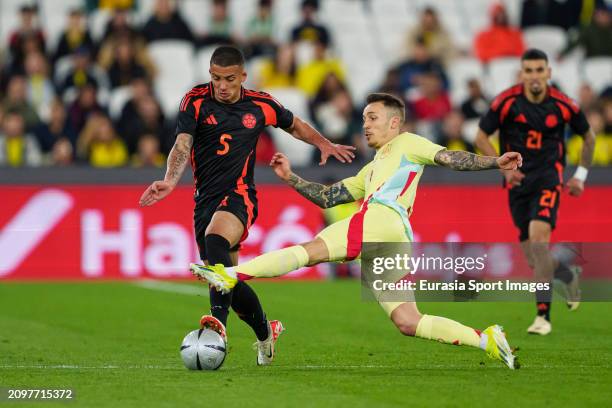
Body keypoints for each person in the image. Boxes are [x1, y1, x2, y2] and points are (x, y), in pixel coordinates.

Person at [191, 92, 522, 369]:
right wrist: (291, 177)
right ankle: (486, 338)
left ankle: (230, 274)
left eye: (373, 118)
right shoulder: (374, 167)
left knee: (311, 250)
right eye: (364, 118)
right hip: (394, 237)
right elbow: (327, 197)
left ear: (394, 122)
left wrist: (495, 163)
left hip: (381, 218)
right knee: (408, 321)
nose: (365, 125)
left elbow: (450, 157)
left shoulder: (408, 142)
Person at [138, 46, 355, 365]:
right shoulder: (195, 101)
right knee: (229, 279)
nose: (221, 86)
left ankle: (218, 329)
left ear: (242, 76)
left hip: (240, 196)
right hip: (205, 201)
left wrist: (323, 143)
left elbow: (293, 123)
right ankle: (267, 331)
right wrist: (170, 180)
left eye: (228, 79)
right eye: (215, 78)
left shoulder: (260, 104)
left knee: (215, 242)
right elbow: (182, 144)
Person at [474, 49, 595, 335]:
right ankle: (565, 273)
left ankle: (543, 317)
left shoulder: (564, 105)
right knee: (534, 259)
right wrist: (503, 168)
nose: (535, 76)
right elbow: (480, 136)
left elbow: (588, 137)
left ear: (548, 73)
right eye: (529, 71)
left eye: (540, 70)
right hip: (517, 184)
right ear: (522, 74)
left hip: (549, 179)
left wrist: (580, 176)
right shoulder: (506, 102)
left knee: (539, 244)